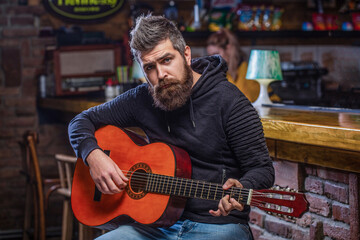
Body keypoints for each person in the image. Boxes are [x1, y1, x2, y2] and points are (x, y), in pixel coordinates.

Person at [68, 14, 274, 240]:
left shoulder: (229, 101)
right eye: (150, 67)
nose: (161, 74)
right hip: (156, 226)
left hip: (218, 225)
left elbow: (263, 169)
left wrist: (242, 186)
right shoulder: (142, 98)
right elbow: (80, 122)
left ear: (186, 54)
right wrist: (94, 156)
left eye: (166, 60)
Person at [206, 29, 279, 103]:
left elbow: (245, 99)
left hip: (271, 107)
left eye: (216, 53)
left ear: (228, 48)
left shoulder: (244, 69)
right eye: (210, 55)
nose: (212, 59)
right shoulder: (222, 73)